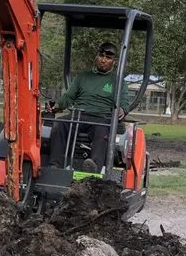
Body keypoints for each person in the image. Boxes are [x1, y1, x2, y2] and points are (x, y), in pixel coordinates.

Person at [46, 41, 130, 171]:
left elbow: (124, 100)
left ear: (114, 61)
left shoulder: (118, 81)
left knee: (103, 130)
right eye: (101, 56)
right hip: (79, 115)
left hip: (102, 118)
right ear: (96, 57)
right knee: (60, 123)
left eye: (108, 58)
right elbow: (68, 97)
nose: (103, 60)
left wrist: (122, 109)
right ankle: (54, 166)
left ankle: (93, 166)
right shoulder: (83, 77)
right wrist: (57, 106)